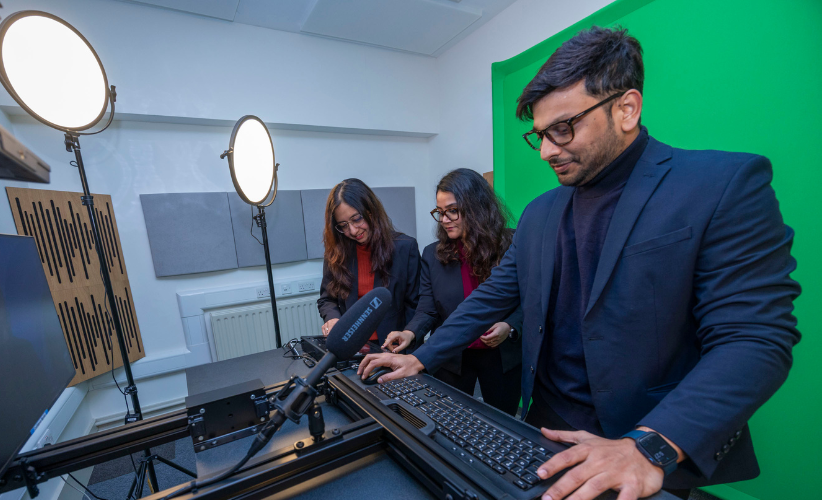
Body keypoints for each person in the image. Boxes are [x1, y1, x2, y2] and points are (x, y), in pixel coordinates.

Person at [358, 27, 800, 500]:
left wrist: (649, 446)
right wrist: (421, 356)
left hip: (640, 439)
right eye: (540, 135)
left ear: (626, 109)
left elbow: (754, 337)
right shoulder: (540, 213)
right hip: (543, 429)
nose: (547, 150)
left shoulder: (721, 185)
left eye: (563, 128)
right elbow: (491, 297)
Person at [383, 168, 523, 416]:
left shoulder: (512, 244)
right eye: (440, 212)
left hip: (501, 357)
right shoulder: (432, 254)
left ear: (477, 207)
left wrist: (510, 326)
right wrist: (409, 332)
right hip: (453, 357)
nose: (445, 219)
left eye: (452, 211)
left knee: (502, 422)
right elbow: (427, 307)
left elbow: (530, 300)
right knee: (451, 420)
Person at [317, 179, 421, 350]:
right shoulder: (336, 253)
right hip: (352, 346)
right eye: (343, 225)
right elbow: (327, 299)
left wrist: (405, 342)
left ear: (371, 211)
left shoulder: (405, 247)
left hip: (394, 347)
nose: (352, 231)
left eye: (357, 219)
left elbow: (415, 306)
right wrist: (333, 318)